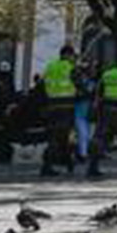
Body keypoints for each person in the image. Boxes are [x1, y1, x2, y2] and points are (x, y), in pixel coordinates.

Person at [40, 44, 78, 178]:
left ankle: (66, 163)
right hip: (66, 106)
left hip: (52, 105)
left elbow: (42, 83)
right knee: (65, 135)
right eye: (73, 56)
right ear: (68, 55)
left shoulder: (50, 66)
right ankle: (51, 165)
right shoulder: (70, 67)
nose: (74, 58)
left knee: (55, 135)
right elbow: (79, 83)